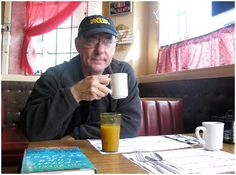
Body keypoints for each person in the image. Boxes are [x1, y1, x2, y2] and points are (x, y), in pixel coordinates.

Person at [20, 15, 141, 141]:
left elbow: (131, 124)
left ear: (114, 47)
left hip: (106, 156)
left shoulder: (122, 73)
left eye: (108, 41)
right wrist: (75, 93)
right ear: (77, 45)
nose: (100, 50)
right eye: (91, 40)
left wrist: (77, 135)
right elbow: (32, 130)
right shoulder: (53, 76)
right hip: (60, 156)